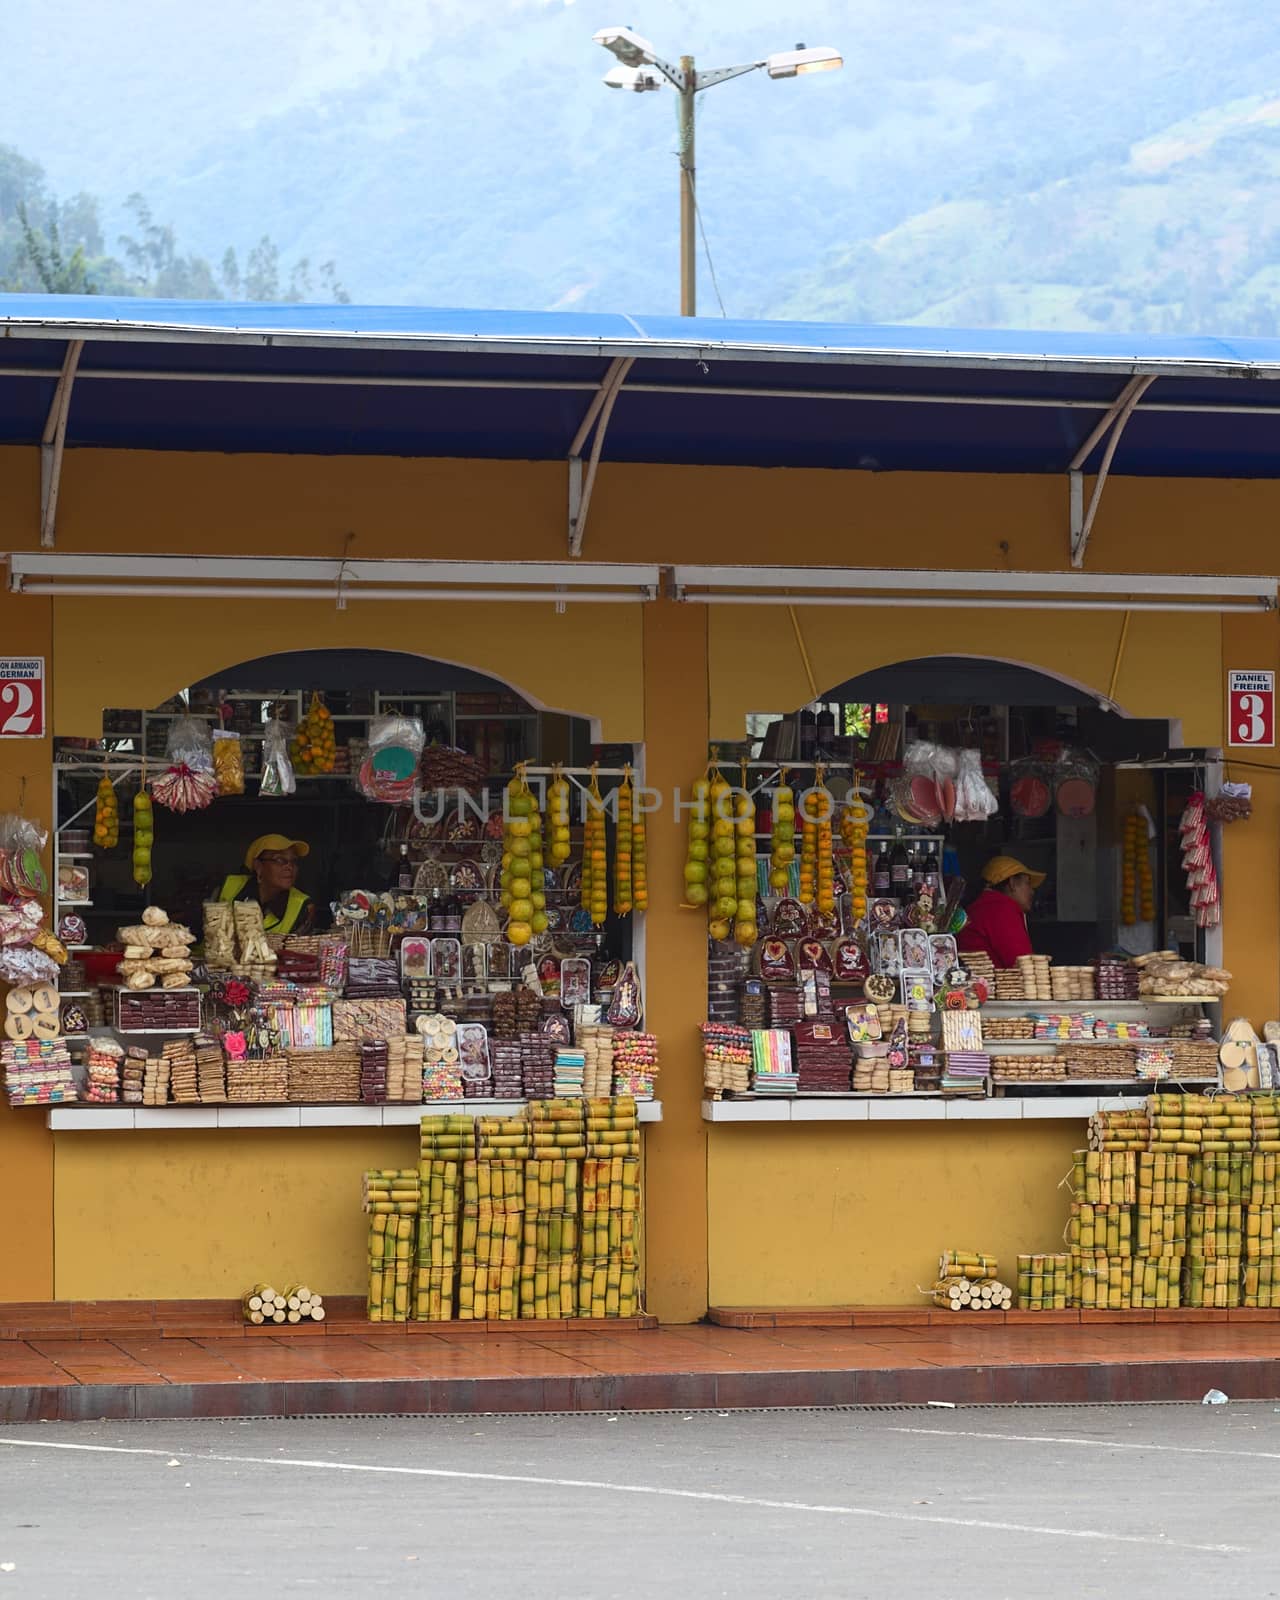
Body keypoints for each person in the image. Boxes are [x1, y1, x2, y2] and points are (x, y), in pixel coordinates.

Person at [218, 834, 318, 937]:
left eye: (293, 861)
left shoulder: (303, 906)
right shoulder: (227, 885)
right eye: (279, 860)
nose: (290, 867)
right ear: (258, 866)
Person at [956, 855, 1044, 969]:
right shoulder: (1000, 907)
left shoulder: (980, 905)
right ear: (1012, 883)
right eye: (1027, 883)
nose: (1032, 891)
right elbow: (1022, 963)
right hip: (991, 984)